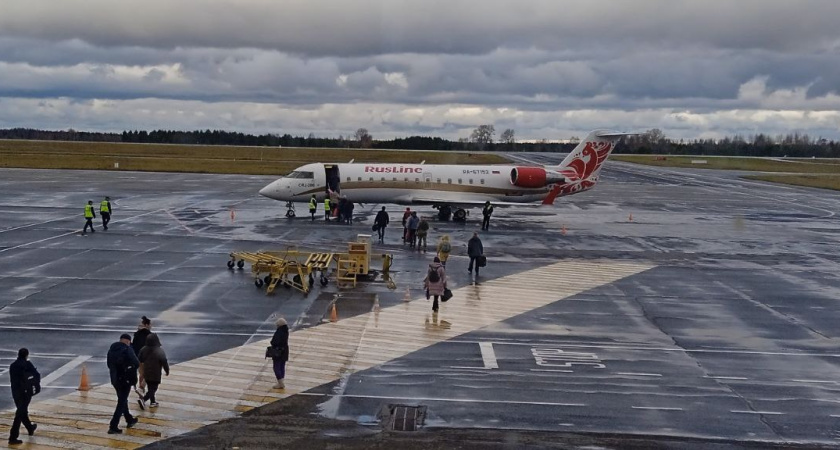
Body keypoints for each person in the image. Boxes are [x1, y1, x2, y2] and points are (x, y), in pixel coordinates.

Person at [106, 333, 140, 434]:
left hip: (115, 380)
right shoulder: (127, 349)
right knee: (121, 402)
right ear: (128, 341)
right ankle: (113, 426)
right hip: (125, 380)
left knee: (122, 399)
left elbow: (109, 364)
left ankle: (129, 419)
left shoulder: (111, 350)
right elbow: (136, 363)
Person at [8, 348, 40, 445]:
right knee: (19, 414)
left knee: (22, 411)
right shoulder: (27, 364)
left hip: (15, 392)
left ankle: (30, 428)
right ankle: (13, 437)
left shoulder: (12, 366)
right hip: (25, 392)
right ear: (26, 355)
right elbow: (37, 376)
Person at [137, 333, 169, 410]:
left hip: (146, 371)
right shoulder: (159, 350)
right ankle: (143, 400)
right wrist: (167, 370)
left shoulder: (143, 349)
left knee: (150, 387)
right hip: (156, 372)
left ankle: (153, 402)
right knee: (153, 388)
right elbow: (164, 361)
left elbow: (139, 359)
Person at [131, 316, 152, 396]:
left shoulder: (137, 334)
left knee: (141, 374)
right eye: (150, 325)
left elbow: (134, 345)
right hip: (147, 357)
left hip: (138, 357)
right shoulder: (149, 335)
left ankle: (141, 391)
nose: (151, 326)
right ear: (146, 325)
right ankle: (141, 388)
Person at [270, 317, 290, 389]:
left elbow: (274, 342)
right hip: (285, 351)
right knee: (282, 366)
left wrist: (272, 343)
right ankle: (281, 381)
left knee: (276, 367)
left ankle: (280, 383)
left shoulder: (279, 332)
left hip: (278, 352)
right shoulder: (286, 331)